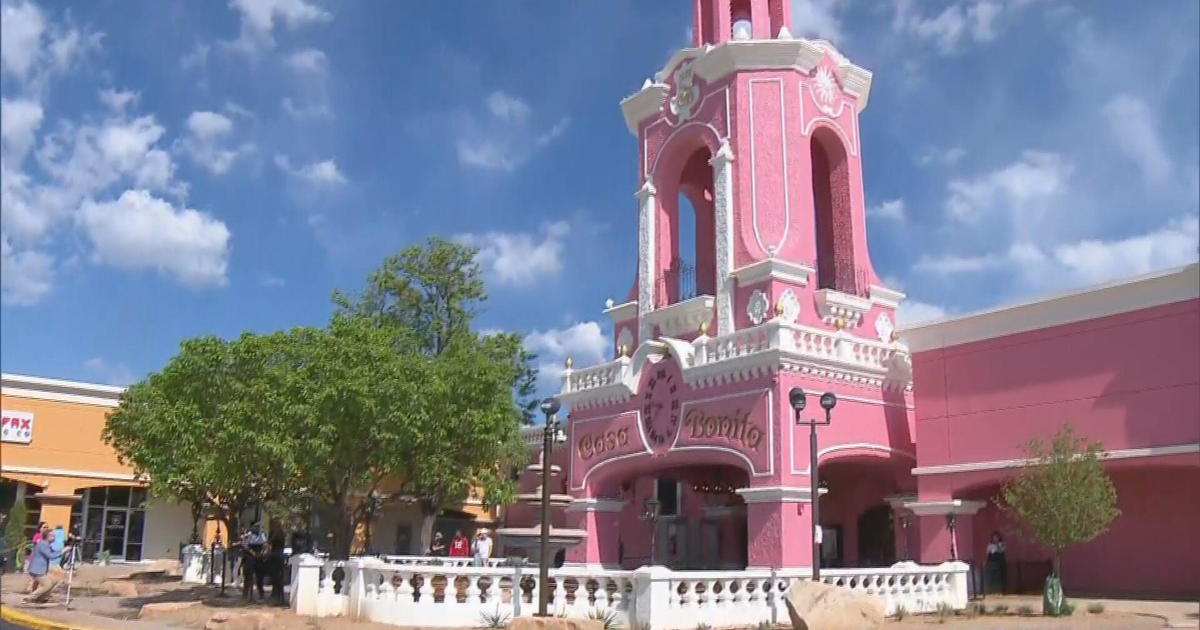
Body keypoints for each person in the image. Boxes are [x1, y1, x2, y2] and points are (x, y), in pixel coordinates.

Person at [24, 529, 64, 603]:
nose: (54, 537)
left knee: (53, 581)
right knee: (47, 584)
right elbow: (50, 555)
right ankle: (30, 598)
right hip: (36, 570)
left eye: (54, 536)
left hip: (39, 569)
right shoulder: (43, 544)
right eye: (52, 536)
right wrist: (62, 551)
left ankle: (41, 598)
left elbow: (52, 552)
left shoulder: (45, 544)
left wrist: (60, 551)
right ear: (47, 536)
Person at [241, 523, 268, 600]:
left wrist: (263, 552)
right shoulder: (248, 535)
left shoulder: (261, 534)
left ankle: (261, 594)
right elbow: (245, 545)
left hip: (259, 555)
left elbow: (265, 544)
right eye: (256, 527)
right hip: (249, 555)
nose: (257, 528)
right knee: (248, 576)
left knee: (260, 576)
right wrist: (253, 553)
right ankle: (245, 594)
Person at [266, 521, 287, 605]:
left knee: (276, 576)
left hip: (275, 555)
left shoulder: (276, 534)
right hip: (278, 555)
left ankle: (277, 596)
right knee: (277, 576)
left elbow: (269, 543)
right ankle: (277, 596)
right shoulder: (281, 533)